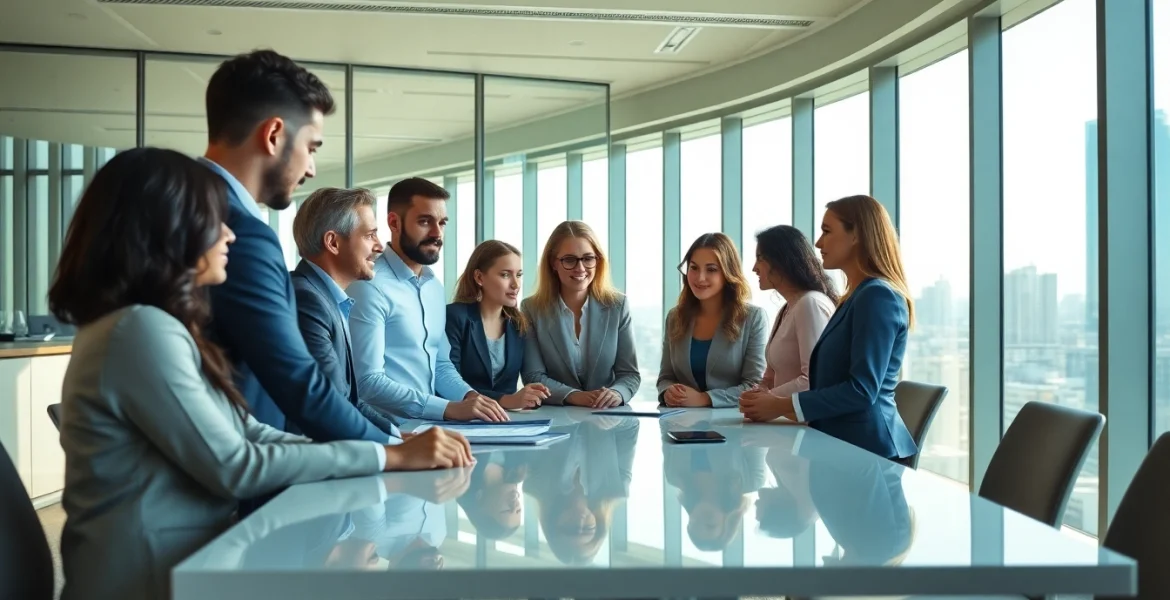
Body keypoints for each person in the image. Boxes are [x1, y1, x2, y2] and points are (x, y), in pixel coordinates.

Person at [48, 148, 473, 600]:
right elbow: (238, 465)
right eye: (214, 218)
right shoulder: (139, 330)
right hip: (150, 582)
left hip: (188, 566)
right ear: (168, 230)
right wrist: (389, 457)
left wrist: (384, 449)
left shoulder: (156, 325)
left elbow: (248, 432)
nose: (230, 234)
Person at [199, 49, 388, 442]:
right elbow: (299, 383)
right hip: (235, 479)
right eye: (312, 148)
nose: (311, 168)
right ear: (273, 136)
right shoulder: (242, 233)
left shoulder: (186, 203)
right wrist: (392, 450)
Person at [739, 195, 917, 462]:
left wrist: (781, 405)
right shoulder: (854, 298)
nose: (819, 243)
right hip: (841, 444)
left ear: (856, 234)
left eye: (827, 231)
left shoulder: (877, 296)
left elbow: (862, 390)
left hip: (869, 451)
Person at [349, 177, 508, 422]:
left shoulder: (433, 287)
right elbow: (367, 381)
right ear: (394, 222)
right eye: (425, 222)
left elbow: (441, 364)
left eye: (442, 223)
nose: (437, 233)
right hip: (386, 433)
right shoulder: (369, 286)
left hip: (430, 429)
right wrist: (447, 409)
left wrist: (471, 398)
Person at [289, 187, 401, 438]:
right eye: (370, 235)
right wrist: (397, 448)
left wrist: (399, 436)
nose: (380, 246)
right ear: (333, 243)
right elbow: (331, 406)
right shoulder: (306, 300)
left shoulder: (326, 297)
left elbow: (351, 400)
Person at [521, 220, 641, 407]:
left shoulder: (617, 306)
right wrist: (574, 396)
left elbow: (630, 375)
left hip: (606, 419)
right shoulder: (532, 309)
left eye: (588, 258)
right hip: (556, 418)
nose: (580, 268)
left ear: (597, 260)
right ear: (554, 263)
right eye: (569, 259)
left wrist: (617, 393)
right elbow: (533, 376)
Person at [657, 233, 768, 408]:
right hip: (681, 421)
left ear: (728, 273)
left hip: (733, 425)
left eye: (711, 269)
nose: (700, 278)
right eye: (694, 268)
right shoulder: (675, 317)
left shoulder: (752, 318)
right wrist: (668, 391)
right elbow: (665, 377)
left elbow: (755, 385)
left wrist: (705, 399)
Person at [447, 240, 549, 409]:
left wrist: (532, 395)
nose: (515, 284)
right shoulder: (455, 317)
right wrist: (506, 400)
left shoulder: (519, 325)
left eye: (519, 275)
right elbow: (450, 383)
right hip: (462, 419)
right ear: (479, 277)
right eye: (505, 275)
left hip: (506, 420)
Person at [741, 225, 837, 402]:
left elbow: (813, 380)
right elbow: (770, 377)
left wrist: (768, 399)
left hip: (806, 424)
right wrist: (758, 391)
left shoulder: (810, 304)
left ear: (780, 260)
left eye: (759, 258)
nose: (754, 268)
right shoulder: (787, 308)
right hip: (785, 420)